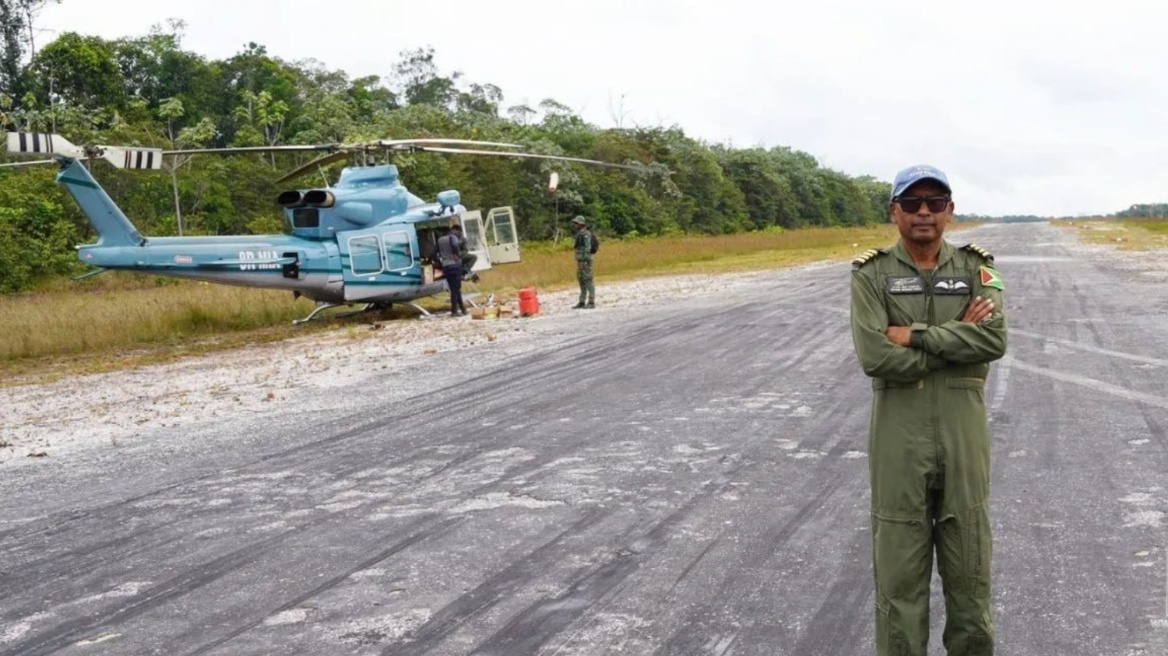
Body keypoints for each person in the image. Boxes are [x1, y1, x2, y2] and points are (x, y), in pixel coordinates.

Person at [849, 164, 1008, 656]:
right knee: (900, 586)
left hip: (964, 439)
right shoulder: (870, 274)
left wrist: (913, 334)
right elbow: (875, 356)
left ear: (950, 211)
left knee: (971, 577)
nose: (924, 213)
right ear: (894, 211)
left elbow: (994, 339)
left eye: (935, 203)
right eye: (913, 203)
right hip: (899, 438)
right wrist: (958, 336)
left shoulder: (979, 269)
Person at [436, 225, 468, 316]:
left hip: (445, 266)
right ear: (450, 231)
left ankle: (463, 309)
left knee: (455, 288)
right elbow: (454, 245)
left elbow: (435, 253)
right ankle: (454, 311)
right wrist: (456, 254)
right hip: (454, 265)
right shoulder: (452, 237)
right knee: (455, 289)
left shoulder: (439, 240)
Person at [571, 215, 595, 309]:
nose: (574, 225)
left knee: (588, 280)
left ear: (581, 224)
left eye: (576, 223)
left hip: (585, 261)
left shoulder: (585, 234)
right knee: (581, 280)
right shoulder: (580, 233)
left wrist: (585, 260)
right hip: (580, 260)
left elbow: (587, 247)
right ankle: (582, 301)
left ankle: (591, 302)